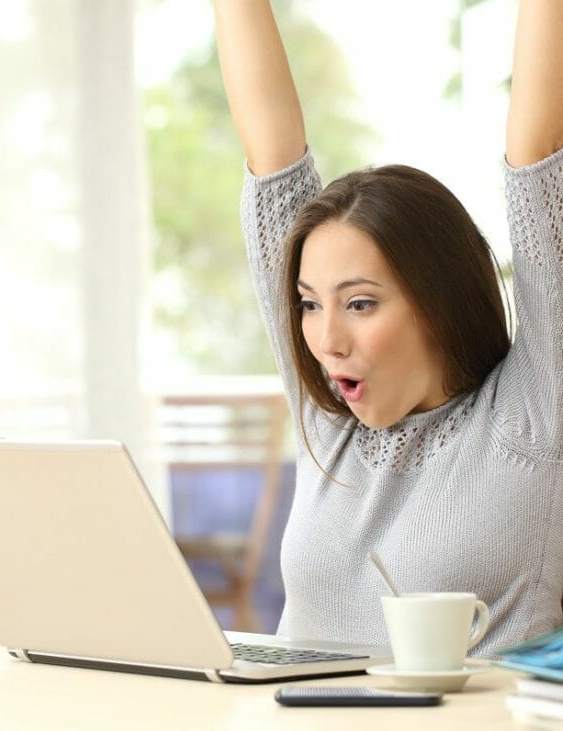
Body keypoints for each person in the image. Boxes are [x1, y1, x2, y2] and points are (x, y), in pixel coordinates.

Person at [213, 0, 563, 656]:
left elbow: (538, 156)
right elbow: (270, 153)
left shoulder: (534, 413)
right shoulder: (328, 417)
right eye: (310, 303)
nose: (325, 341)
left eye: (361, 304)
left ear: (439, 301)